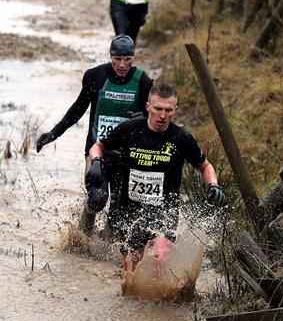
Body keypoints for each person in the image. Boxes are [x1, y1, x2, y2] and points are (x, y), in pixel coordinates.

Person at [87, 81, 228, 270]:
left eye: (168, 110)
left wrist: (213, 185)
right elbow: (98, 146)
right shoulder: (130, 129)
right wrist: (96, 161)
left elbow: (205, 166)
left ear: (175, 110)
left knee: (159, 259)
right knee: (131, 270)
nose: (162, 115)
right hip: (130, 211)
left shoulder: (181, 138)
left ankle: (160, 298)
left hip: (163, 212)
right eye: (158, 109)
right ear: (148, 107)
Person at [35, 34, 153, 233]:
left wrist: (141, 118)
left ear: (133, 58)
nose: (122, 65)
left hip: (127, 156)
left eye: (127, 59)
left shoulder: (143, 81)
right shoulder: (95, 76)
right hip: (97, 152)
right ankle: (82, 238)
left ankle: (107, 250)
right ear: (110, 56)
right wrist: (54, 133)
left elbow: (152, 119)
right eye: (117, 59)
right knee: (97, 199)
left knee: (118, 211)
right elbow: (78, 109)